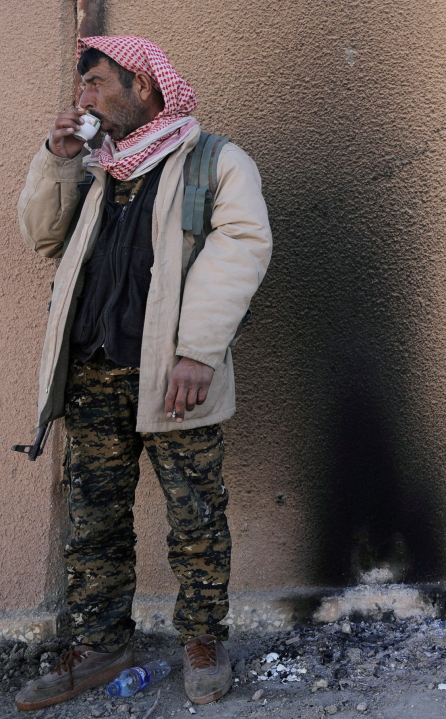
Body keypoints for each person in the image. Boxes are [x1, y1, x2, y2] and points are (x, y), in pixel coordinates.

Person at [14, 36, 271, 710]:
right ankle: (101, 645)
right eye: (82, 87)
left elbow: (241, 250)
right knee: (93, 521)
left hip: (173, 376)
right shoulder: (95, 167)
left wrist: (198, 352)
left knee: (196, 517)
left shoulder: (214, 160)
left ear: (144, 87)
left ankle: (203, 640)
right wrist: (56, 160)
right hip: (93, 373)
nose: (84, 98)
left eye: (96, 84)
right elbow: (42, 236)